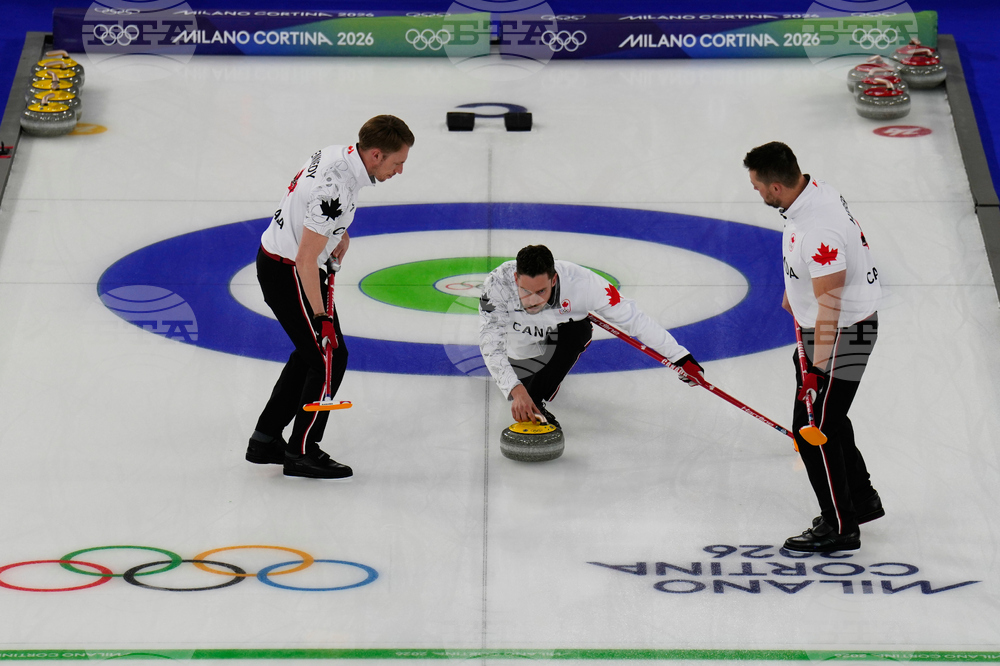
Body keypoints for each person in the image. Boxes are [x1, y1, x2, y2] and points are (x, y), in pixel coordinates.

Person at [246, 115, 414, 479]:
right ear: (374, 155)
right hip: (289, 271)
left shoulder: (337, 154)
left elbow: (312, 211)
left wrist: (339, 233)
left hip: (286, 261)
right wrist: (322, 316)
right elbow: (306, 259)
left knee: (310, 355)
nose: (400, 170)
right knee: (328, 356)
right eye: (397, 162)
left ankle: (264, 439)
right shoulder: (336, 188)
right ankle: (302, 451)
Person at [743, 141, 882, 552]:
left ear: (776, 188)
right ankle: (860, 498)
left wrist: (816, 373)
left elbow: (831, 305)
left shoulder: (818, 228)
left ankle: (841, 527)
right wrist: (795, 291)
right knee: (831, 417)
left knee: (812, 429)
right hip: (832, 327)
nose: (756, 192)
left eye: (757, 187)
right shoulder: (812, 192)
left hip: (842, 334)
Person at [478, 244, 706, 428]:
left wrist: (680, 357)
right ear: (516, 279)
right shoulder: (495, 286)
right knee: (518, 382)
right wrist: (514, 389)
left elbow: (632, 318)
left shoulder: (584, 283)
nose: (534, 299)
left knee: (580, 328)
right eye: (526, 291)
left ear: (554, 280)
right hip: (514, 353)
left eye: (542, 291)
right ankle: (526, 385)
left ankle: (537, 400)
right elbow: (491, 343)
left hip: (548, 343)